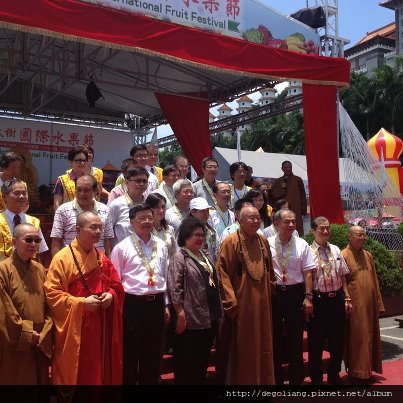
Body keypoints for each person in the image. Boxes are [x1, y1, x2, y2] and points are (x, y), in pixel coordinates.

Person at [44, 212, 124, 386]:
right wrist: (81, 303)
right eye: (93, 227)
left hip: (100, 323)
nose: (97, 231)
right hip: (76, 326)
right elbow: (52, 294)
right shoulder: (62, 258)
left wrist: (111, 295)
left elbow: (116, 286)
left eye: (100, 227)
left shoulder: (102, 258)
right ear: (78, 229)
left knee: (99, 367)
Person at [110, 204, 170, 385]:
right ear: (131, 223)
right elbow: (116, 282)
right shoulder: (121, 248)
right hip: (132, 306)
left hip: (156, 304)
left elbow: (164, 275)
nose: (146, 222)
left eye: (150, 218)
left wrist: (166, 304)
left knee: (152, 354)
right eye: (141, 218)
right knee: (131, 353)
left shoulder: (161, 245)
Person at [216, 205, 275, 384]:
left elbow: (270, 270)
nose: (256, 221)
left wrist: (271, 288)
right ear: (239, 220)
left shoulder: (263, 241)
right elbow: (222, 272)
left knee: (263, 343)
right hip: (242, 304)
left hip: (262, 304)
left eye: (258, 217)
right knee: (243, 347)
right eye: (251, 218)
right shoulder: (231, 241)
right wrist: (231, 301)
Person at [167, 217, 222, 384]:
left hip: (208, 316)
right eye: (195, 235)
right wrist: (180, 314)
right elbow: (175, 288)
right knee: (186, 362)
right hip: (190, 319)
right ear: (185, 236)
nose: (200, 238)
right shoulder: (179, 257)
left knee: (201, 360)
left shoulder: (204, 255)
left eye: (202, 235)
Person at [0, 223, 53, 385]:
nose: (33, 244)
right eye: (28, 240)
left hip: (40, 341)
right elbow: (4, 310)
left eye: (37, 240)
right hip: (15, 341)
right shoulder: (3, 269)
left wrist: (46, 331)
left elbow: (50, 304)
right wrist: (27, 334)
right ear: (14, 242)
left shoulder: (39, 269)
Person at [268, 209, 315, 385]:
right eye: (286, 222)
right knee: (275, 338)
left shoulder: (302, 244)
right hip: (275, 294)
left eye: (293, 222)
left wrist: (308, 297)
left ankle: (296, 379)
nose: (290, 225)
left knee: (296, 337)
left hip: (295, 294)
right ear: (276, 223)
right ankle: (276, 379)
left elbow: (308, 273)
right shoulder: (267, 243)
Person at [308, 216, 352, 385]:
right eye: (321, 229)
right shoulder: (308, 251)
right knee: (316, 342)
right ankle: (317, 378)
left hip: (337, 300)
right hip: (319, 301)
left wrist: (347, 297)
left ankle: (334, 375)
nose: (325, 231)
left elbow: (343, 276)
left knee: (337, 340)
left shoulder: (335, 249)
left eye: (327, 228)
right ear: (313, 230)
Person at [342, 225, 385, 383]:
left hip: (370, 304)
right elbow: (342, 282)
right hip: (355, 304)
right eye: (358, 235)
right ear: (350, 237)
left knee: (370, 336)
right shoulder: (344, 255)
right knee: (358, 337)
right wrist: (345, 301)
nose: (362, 238)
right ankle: (357, 373)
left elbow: (374, 280)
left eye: (363, 235)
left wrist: (379, 303)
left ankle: (367, 370)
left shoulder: (368, 255)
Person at [50, 175, 114, 257]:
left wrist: (108, 263)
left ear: (95, 191)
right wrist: (58, 265)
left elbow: (107, 240)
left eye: (86, 190)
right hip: (70, 263)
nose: (82, 194)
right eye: (79, 190)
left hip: (98, 263)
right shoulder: (63, 210)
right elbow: (56, 241)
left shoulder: (105, 210)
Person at [0, 178, 48, 262]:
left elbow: (39, 252)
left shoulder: (34, 222)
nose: (22, 196)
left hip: (29, 271)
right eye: (17, 193)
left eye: (24, 193)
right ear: (4, 197)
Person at [109, 167, 149, 248]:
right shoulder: (116, 205)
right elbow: (107, 233)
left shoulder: (150, 204)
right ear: (126, 182)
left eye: (144, 181)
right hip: (123, 254)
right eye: (138, 181)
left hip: (146, 253)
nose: (141, 184)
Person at [270, 161, 307, 236]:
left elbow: (303, 195)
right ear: (282, 169)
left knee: (297, 230)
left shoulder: (298, 180)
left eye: (289, 167)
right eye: (286, 167)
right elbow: (274, 196)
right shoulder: (278, 182)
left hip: (296, 210)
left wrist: (303, 209)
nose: (288, 169)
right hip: (283, 210)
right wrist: (282, 188)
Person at [53, 146, 88, 211]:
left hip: (86, 219)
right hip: (67, 218)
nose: (82, 163)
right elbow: (57, 204)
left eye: (84, 160)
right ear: (71, 161)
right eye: (79, 160)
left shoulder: (90, 180)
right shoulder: (62, 180)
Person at [145, 193, 177, 259]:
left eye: (163, 206)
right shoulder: (145, 231)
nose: (161, 210)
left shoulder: (170, 229)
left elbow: (174, 254)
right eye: (157, 207)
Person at [189, 197, 219, 263]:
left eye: (207, 211)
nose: (206, 214)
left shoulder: (212, 231)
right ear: (193, 212)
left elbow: (216, 252)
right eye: (202, 211)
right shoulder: (187, 232)